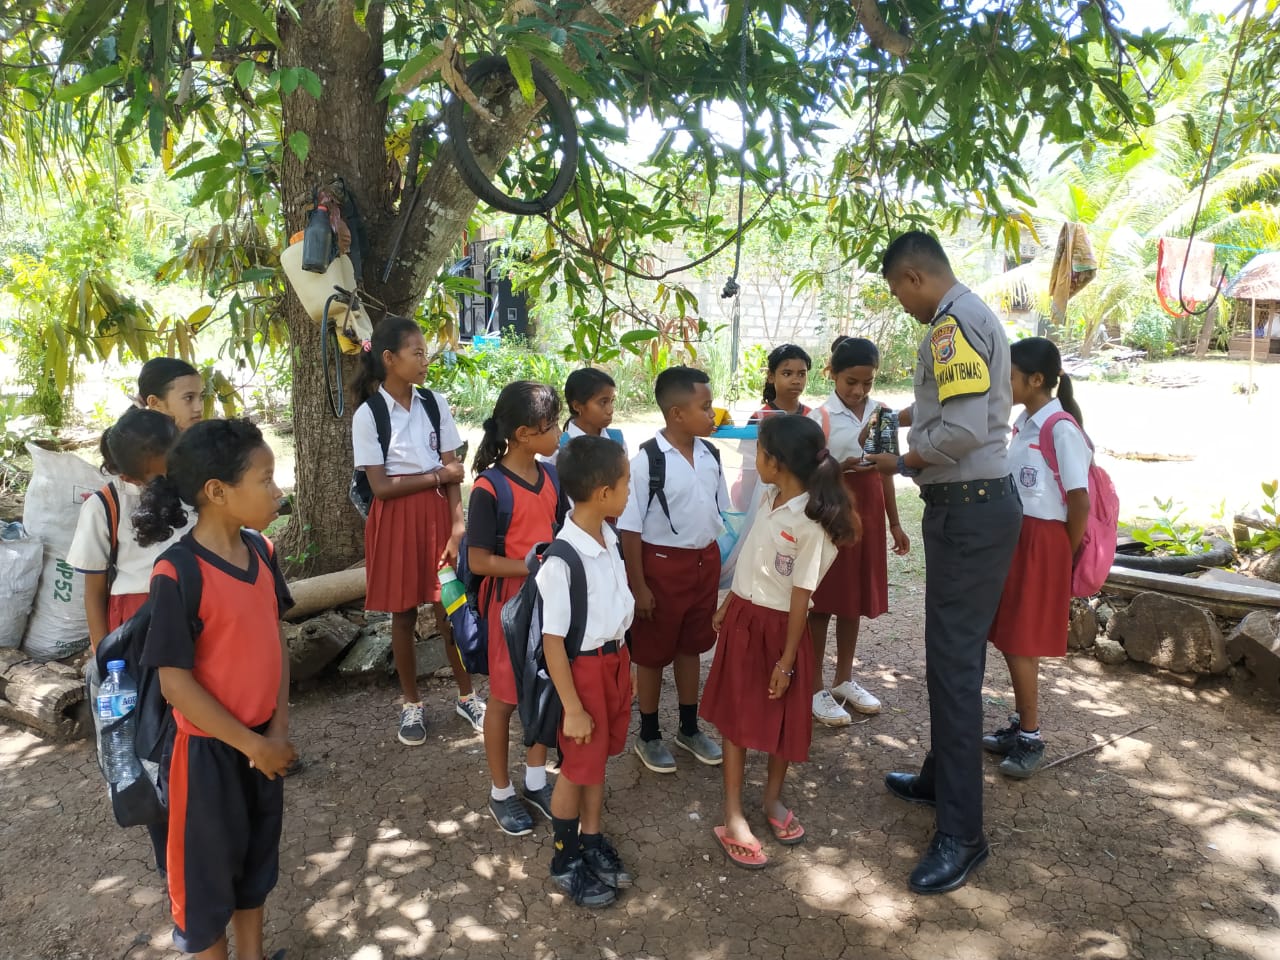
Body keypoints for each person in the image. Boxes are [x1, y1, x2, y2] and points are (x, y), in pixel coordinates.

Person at [862, 231, 1022, 894]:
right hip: (976, 507)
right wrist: (902, 415)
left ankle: (963, 835)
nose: (901, 303)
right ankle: (939, 777)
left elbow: (963, 431)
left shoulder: (948, 327)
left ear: (914, 277)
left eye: (898, 290)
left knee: (955, 667)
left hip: (968, 508)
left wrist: (898, 460)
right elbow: (966, 407)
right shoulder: (974, 313)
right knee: (949, 654)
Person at [135, 419, 296, 960]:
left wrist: (275, 730)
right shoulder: (177, 573)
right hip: (206, 756)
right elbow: (175, 684)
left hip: (260, 746)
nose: (278, 491)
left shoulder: (263, 552)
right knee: (205, 892)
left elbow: (275, 640)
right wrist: (252, 745)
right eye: (266, 479)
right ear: (218, 492)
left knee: (255, 871)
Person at [700, 415, 856, 869]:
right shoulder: (769, 497)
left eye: (760, 452)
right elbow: (752, 554)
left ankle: (771, 801)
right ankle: (732, 814)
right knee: (736, 716)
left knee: (780, 720)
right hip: (745, 620)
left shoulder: (812, 523)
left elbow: (800, 599)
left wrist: (787, 662)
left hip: (782, 630)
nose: (755, 460)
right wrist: (730, 603)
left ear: (778, 461)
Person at [351, 317, 483, 746]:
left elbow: (454, 469)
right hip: (394, 521)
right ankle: (412, 704)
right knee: (403, 614)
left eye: (426, 353)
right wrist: (437, 476)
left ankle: (467, 695)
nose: (426, 360)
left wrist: (457, 523)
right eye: (417, 353)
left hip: (437, 518)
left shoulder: (434, 403)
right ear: (389, 359)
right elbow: (382, 487)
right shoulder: (369, 415)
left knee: (452, 607)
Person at [984, 338, 1091, 779]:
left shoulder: (1060, 429)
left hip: (1042, 544)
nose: (1002, 384)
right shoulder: (1024, 423)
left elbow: (1079, 501)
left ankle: (1031, 736)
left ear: (1036, 380)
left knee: (1021, 642)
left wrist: (1061, 555)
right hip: (1016, 539)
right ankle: (1020, 725)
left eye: (1009, 376)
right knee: (1011, 637)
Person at [538, 435, 635, 908]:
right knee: (576, 769)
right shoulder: (563, 558)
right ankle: (565, 858)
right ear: (603, 494)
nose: (629, 491)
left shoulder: (608, 536)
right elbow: (552, 640)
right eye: (626, 483)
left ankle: (592, 841)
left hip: (616, 663)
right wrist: (573, 708)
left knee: (596, 762)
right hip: (583, 674)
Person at [468, 381, 567, 836]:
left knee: (543, 692)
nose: (560, 434)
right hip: (510, 611)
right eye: (554, 426)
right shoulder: (489, 488)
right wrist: (532, 566)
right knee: (506, 700)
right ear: (526, 433)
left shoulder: (551, 477)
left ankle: (533, 779)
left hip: (549, 605)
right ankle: (500, 791)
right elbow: (478, 560)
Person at [618, 366, 728, 774]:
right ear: (677, 413)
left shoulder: (710, 453)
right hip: (661, 567)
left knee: (691, 646)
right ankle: (648, 733)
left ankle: (687, 726)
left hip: (703, 564)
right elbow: (630, 529)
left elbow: (717, 512)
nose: (713, 414)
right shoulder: (647, 460)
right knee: (651, 653)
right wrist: (639, 586)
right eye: (706, 407)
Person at [807, 338, 910, 725]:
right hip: (833, 515)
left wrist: (895, 522)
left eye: (867, 383)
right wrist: (841, 467)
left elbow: (886, 470)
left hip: (867, 513)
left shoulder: (883, 413)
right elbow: (808, 474)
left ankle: (843, 679)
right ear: (832, 373)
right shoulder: (821, 418)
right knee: (823, 603)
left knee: (853, 602)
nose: (858, 391)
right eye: (851, 381)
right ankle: (815, 685)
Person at [70, 409, 186, 649]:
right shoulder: (104, 506)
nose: (172, 477)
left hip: (191, 603)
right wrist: (102, 652)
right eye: (161, 475)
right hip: (136, 616)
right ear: (129, 478)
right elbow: (94, 591)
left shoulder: (192, 491)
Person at [555, 368, 626, 461]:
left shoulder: (617, 440)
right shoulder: (557, 448)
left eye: (611, 401)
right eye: (603, 402)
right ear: (577, 406)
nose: (610, 410)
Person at [748, 344, 812, 423]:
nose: (796, 381)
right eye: (787, 374)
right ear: (771, 376)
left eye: (801, 374)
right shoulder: (759, 419)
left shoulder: (812, 417)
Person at [138, 358, 204, 431]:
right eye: (188, 398)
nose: (199, 408)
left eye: (201, 397)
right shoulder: (139, 441)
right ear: (155, 403)